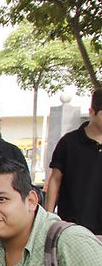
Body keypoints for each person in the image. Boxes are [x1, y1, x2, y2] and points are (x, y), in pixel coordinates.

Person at [45, 89, 102, 233]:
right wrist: (48, 218)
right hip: (74, 227)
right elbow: (55, 180)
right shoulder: (69, 142)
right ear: (92, 112)